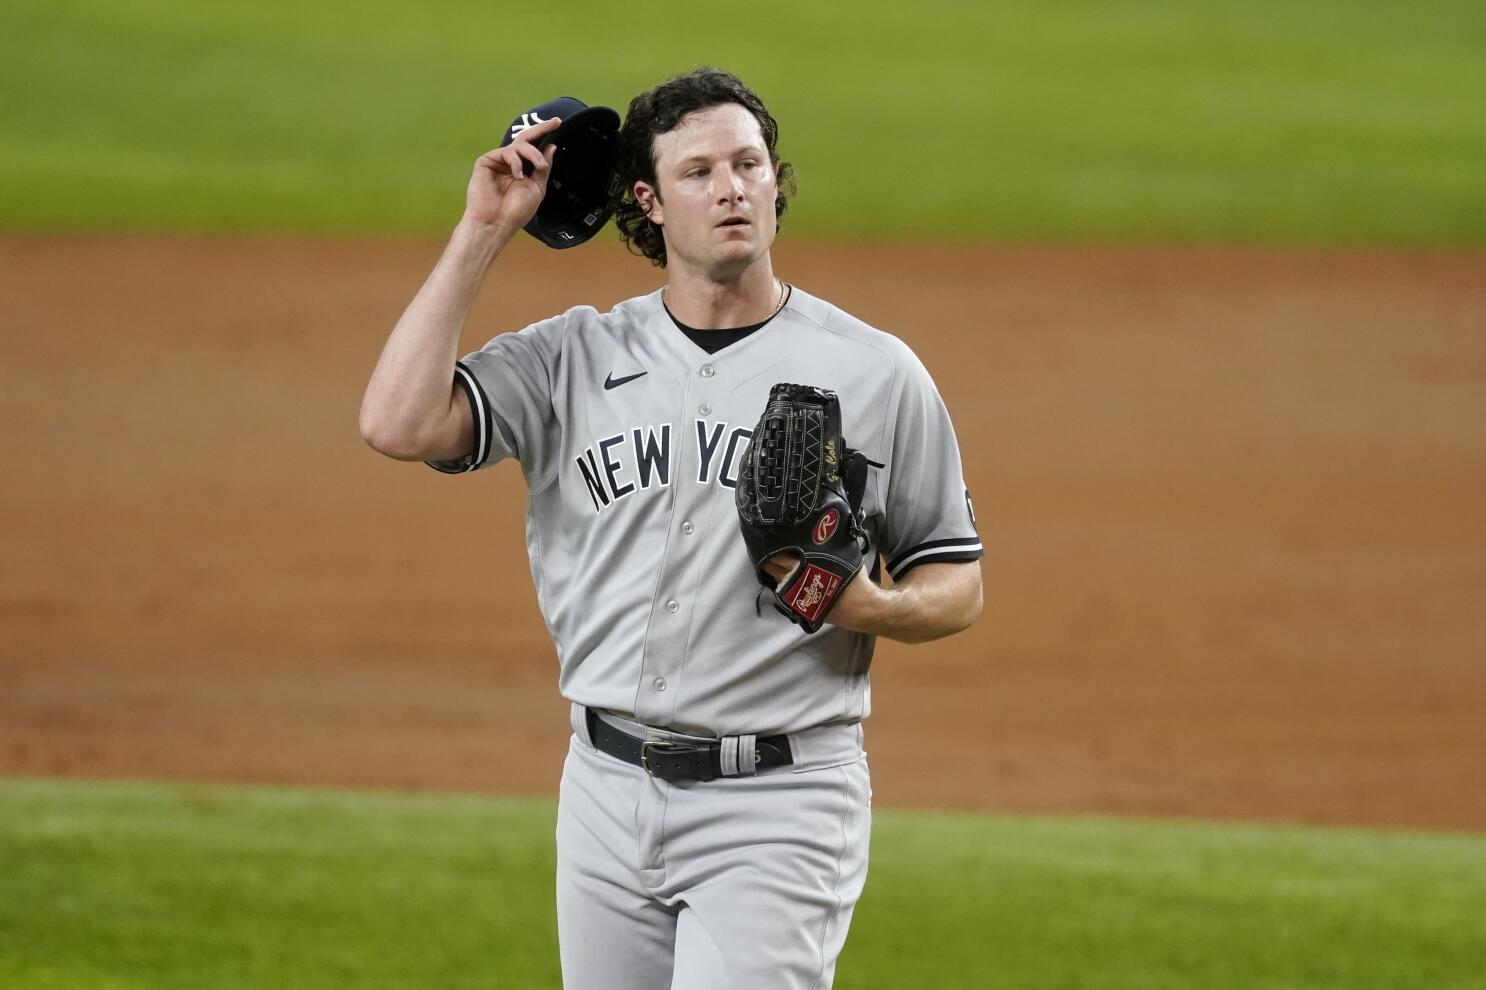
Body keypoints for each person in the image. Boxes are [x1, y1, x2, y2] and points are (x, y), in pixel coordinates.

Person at [359, 67, 983, 990]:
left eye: (749, 164)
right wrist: (484, 231)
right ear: (646, 201)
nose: (733, 187)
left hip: (779, 800)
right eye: (699, 172)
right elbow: (397, 424)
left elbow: (956, 579)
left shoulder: (874, 372)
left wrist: (872, 606)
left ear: (776, 182)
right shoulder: (574, 356)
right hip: (605, 786)